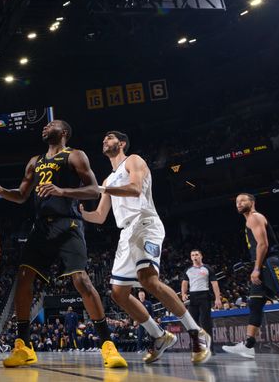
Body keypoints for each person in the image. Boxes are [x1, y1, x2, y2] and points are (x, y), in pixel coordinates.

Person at [0, 120, 127, 368]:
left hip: (68, 224)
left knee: (81, 280)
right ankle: (23, 345)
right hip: (41, 227)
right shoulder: (35, 161)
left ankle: (108, 345)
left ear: (63, 132)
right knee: (23, 277)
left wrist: (61, 191)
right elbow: (21, 196)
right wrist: (1, 191)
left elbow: (94, 191)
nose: (44, 127)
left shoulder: (75, 155)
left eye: (50, 124)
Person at [80, 130, 211, 364]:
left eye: (110, 137)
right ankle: (159, 335)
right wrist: (80, 214)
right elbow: (100, 216)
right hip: (126, 233)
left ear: (121, 143)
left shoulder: (134, 160)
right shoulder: (108, 180)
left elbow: (135, 189)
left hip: (145, 222)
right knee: (118, 293)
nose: (105, 140)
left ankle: (196, 332)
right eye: (103, 139)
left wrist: (101, 190)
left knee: (149, 280)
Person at [223, 193, 279, 358]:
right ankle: (248, 345)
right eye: (236, 201)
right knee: (255, 303)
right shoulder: (248, 220)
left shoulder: (254, 217)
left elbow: (263, 244)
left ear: (252, 202)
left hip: (271, 263)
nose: (239, 203)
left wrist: (257, 268)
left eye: (243, 200)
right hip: (263, 266)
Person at [181, 249, 222, 350]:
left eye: (196, 255)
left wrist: (217, 298)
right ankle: (197, 346)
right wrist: (183, 294)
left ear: (201, 256)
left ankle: (209, 348)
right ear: (191, 257)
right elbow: (184, 283)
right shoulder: (188, 270)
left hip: (205, 296)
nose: (195, 257)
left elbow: (214, 284)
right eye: (193, 255)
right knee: (193, 323)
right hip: (193, 298)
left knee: (206, 323)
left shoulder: (207, 268)